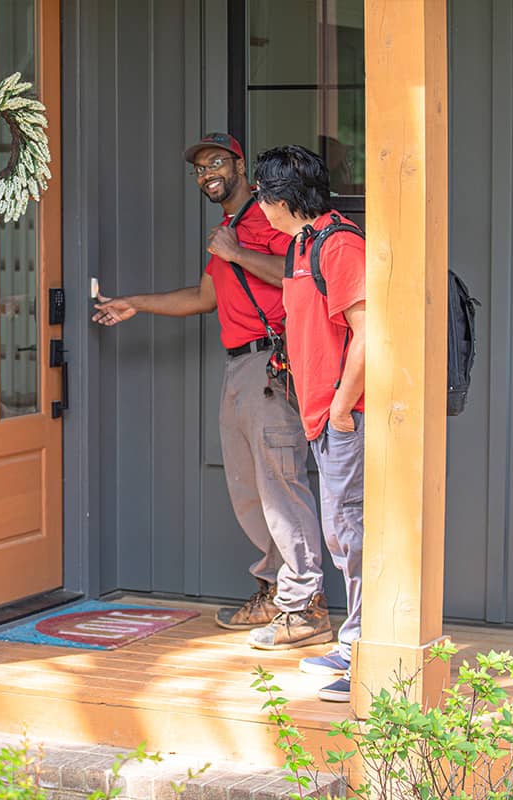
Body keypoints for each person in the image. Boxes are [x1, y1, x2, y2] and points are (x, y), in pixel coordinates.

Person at [91, 133, 330, 650]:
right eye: (199, 168)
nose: (206, 173)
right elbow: (205, 296)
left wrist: (238, 253)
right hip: (239, 366)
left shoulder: (266, 218)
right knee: (250, 489)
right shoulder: (230, 228)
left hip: (273, 361)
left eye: (216, 162)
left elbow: (298, 274)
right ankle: (274, 591)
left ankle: (306, 604)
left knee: (281, 483)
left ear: (239, 166)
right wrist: (135, 303)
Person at [253, 144, 366, 702]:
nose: (260, 206)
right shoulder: (302, 245)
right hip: (320, 414)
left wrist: (342, 408)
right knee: (341, 531)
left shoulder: (338, 245)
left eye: (262, 195)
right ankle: (353, 643)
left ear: (281, 198)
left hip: (345, 417)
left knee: (353, 533)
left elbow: (366, 333)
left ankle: (367, 656)